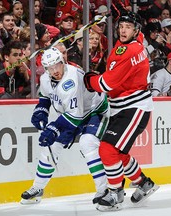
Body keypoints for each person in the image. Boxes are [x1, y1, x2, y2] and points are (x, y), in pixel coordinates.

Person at [83, 12, 159, 211]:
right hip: (124, 106)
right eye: (121, 26)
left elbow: (106, 83)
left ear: (136, 30)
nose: (123, 30)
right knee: (119, 152)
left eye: (128, 27)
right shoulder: (137, 41)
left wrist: (88, 79)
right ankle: (144, 183)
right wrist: (109, 16)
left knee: (107, 149)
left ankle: (115, 192)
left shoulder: (128, 51)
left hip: (134, 107)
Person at [20, 47, 109, 205]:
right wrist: (41, 110)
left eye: (57, 65)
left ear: (63, 62)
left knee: (87, 143)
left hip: (95, 112)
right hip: (74, 114)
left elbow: (76, 115)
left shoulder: (71, 78)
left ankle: (104, 190)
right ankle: (38, 188)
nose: (54, 70)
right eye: (50, 67)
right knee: (51, 146)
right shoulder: (46, 78)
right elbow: (46, 96)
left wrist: (54, 128)